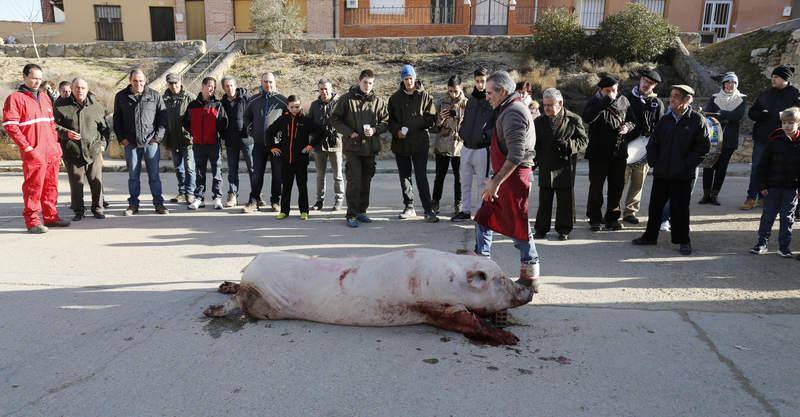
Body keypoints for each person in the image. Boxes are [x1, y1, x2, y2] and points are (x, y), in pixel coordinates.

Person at [473, 71, 540, 292]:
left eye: (490, 92)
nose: (488, 96)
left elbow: (516, 154)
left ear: (503, 91)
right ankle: (482, 263)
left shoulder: (513, 112)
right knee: (486, 218)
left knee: (517, 223)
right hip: (507, 175)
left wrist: (497, 182)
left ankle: (530, 272)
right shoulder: (507, 108)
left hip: (513, 177)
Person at [632, 85, 709, 255]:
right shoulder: (665, 120)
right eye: (671, 95)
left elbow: (702, 149)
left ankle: (683, 240)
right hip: (662, 173)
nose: (671, 99)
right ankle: (650, 237)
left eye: (676, 96)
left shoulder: (696, 120)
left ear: (687, 99)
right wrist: (654, 163)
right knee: (655, 207)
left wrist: (685, 166)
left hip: (682, 175)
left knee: (680, 209)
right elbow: (653, 144)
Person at [2, 63, 70, 233]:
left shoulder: (45, 97)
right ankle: (32, 221)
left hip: (51, 151)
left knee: (51, 186)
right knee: (34, 187)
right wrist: (27, 148)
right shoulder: (15, 98)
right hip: (34, 152)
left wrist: (56, 147)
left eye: (39, 79)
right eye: (33, 78)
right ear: (24, 77)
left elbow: (51, 124)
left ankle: (51, 217)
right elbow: (10, 125)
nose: (37, 82)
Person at [331, 69, 389, 228]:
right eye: (365, 82)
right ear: (359, 81)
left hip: (370, 148)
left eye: (370, 83)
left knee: (366, 180)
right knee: (354, 180)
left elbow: (386, 122)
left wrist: (375, 130)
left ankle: (362, 211)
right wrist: (350, 133)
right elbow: (335, 119)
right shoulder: (346, 99)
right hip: (353, 148)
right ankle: (351, 214)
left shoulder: (378, 101)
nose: (367, 86)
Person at [742, 65, 800, 210]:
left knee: (779, 170)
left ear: (785, 79)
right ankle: (751, 198)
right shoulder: (765, 94)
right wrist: (761, 114)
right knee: (757, 168)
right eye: (772, 77)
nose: (772, 80)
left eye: (776, 77)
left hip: (784, 140)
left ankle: (768, 199)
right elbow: (752, 113)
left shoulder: (795, 95)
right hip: (763, 138)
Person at [533, 88, 588, 241]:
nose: (547, 108)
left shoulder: (574, 119)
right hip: (546, 164)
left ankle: (564, 229)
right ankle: (541, 229)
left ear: (560, 103)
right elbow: (534, 144)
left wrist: (570, 145)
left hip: (565, 166)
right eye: (545, 105)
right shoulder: (539, 121)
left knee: (565, 201)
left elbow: (584, 141)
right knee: (544, 200)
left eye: (550, 105)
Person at [583, 74, 635, 232]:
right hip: (598, 152)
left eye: (614, 90)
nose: (612, 93)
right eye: (608, 90)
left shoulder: (624, 100)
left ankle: (612, 218)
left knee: (617, 186)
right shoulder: (594, 101)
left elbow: (632, 120)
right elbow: (588, 118)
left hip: (618, 151)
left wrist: (627, 127)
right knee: (596, 187)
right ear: (601, 90)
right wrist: (606, 101)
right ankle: (594, 219)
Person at [113, 69, 169, 215]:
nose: (138, 83)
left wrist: (157, 138)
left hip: (150, 142)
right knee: (133, 176)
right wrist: (122, 139)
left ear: (146, 81)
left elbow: (162, 119)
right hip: (130, 143)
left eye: (141, 81)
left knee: (154, 175)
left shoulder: (155, 96)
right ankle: (133, 205)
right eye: (135, 81)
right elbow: (117, 120)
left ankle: (159, 204)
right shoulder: (121, 97)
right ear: (130, 81)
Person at [53, 78, 110, 221]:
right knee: (76, 183)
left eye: (83, 88)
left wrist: (102, 144)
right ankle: (79, 211)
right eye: (77, 88)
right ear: (72, 89)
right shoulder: (60, 105)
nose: (80, 90)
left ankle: (98, 208)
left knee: (96, 181)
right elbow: (52, 126)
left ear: (87, 89)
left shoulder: (96, 106)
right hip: (72, 151)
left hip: (93, 150)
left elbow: (105, 129)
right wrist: (66, 134)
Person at [388, 64, 438, 222]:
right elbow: (390, 120)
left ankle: (428, 209)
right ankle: (409, 206)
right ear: (402, 80)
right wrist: (397, 131)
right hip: (401, 143)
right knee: (405, 177)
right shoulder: (394, 98)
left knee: (421, 177)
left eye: (411, 78)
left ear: (415, 78)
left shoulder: (425, 97)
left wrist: (416, 122)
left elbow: (431, 119)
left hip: (419, 143)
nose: (409, 82)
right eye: (405, 79)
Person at [749, 107, 800, 257]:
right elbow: (762, 165)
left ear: (798, 123)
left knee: (787, 218)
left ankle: (784, 247)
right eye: (784, 122)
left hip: (791, 189)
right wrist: (762, 186)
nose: (787, 126)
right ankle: (761, 243)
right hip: (772, 188)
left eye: (791, 122)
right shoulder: (774, 141)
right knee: (767, 216)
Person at [267, 95, 323, 220]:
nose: (294, 109)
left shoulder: (306, 120)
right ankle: (284, 211)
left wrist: (310, 145)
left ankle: (304, 211)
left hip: (301, 160)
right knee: (286, 187)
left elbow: (320, 132)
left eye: (297, 107)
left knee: (302, 186)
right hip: (286, 160)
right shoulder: (283, 119)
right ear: (288, 106)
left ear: (300, 106)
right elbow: (269, 132)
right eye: (292, 107)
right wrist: (272, 147)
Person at [621, 69, 664, 225]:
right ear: (640, 80)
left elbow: (660, 127)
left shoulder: (656, 103)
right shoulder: (626, 97)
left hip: (645, 149)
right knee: (620, 182)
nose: (647, 85)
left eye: (651, 83)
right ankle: (614, 211)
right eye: (645, 81)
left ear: (654, 86)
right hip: (625, 147)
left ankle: (630, 212)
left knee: (638, 183)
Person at [452, 66, 493, 222]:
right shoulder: (471, 100)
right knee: (465, 181)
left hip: (482, 148)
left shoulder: (490, 99)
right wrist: (462, 132)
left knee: (482, 183)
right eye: (477, 81)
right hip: (467, 146)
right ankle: (466, 210)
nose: (480, 84)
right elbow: (466, 119)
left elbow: (495, 123)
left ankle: (481, 211)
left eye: (482, 81)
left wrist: (485, 136)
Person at [243, 72, 288, 213]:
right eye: (265, 81)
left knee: (278, 174)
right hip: (259, 144)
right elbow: (246, 117)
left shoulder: (282, 100)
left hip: (276, 144)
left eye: (270, 82)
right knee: (257, 174)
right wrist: (251, 130)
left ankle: (275, 201)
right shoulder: (254, 100)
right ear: (261, 82)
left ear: (274, 82)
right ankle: (253, 201)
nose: (268, 84)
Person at [700, 72, 746, 206]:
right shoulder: (715, 97)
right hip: (713, 138)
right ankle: (706, 195)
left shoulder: (741, 98)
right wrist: (726, 116)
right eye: (727, 82)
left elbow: (738, 116)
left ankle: (715, 195)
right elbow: (708, 114)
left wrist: (722, 114)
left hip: (729, 140)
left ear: (736, 84)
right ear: (723, 84)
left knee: (721, 167)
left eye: (733, 83)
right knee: (709, 165)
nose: (730, 85)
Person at [184, 77, 228, 210]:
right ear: (202, 87)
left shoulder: (218, 105)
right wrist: (195, 133)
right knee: (199, 172)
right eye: (209, 86)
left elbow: (224, 122)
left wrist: (216, 133)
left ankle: (217, 198)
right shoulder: (192, 105)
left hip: (213, 144)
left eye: (213, 87)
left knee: (217, 172)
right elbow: (186, 123)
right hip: (198, 144)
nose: (211, 89)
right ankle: (199, 198)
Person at [432, 75, 467, 216]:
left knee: (459, 178)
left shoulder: (467, 103)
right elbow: (435, 126)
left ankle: (458, 203)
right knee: (439, 176)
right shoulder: (441, 102)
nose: (453, 94)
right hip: (442, 144)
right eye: (450, 91)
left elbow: (469, 123)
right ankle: (435, 202)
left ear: (461, 88)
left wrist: (458, 114)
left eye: (455, 91)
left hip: (459, 146)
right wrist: (441, 118)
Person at [309, 78, 344, 212]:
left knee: (338, 175)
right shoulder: (314, 105)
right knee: (320, 175)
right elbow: (309, 123)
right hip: (319, 145)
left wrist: (339, 135)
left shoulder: (339, 103)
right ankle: (319, 201)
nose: (324, 91)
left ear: (331, 89)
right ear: (318, 90)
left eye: (326, 89)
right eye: (321, 89)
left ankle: (339, 200)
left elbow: (345, 121)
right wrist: (314, 136)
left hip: (336, 144)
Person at [162, 73, 195, 205]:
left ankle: (190, 193)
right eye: (171, 83)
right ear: (167, 84)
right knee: (178, 168)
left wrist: (193, 134)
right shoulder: (164, 99)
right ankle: (182, 192)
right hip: (172, 139)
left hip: (188, 139)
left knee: (189, 167)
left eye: (176, 83)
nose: (174, 86)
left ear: (180, 82)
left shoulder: (190, 98)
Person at [220, 76, 251, 208]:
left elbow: (255, 115)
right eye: (226, 86)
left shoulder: (246, 98)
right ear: (223, 88)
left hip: (247, 139)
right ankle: (232, 195)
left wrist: (251, 130)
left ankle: (256, 194)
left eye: (231, 85)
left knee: (253, 168)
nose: (229, 88)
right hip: (231, 141)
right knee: (232, 170)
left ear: (235, 85)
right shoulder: (222, 102)